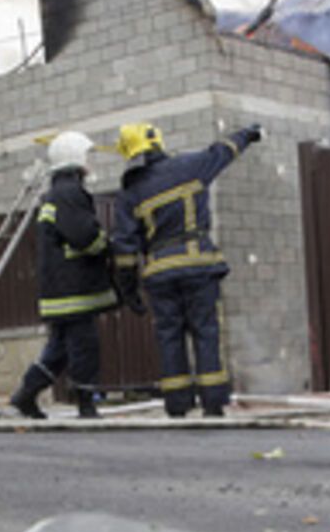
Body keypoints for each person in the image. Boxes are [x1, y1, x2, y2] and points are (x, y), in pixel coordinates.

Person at [112, 121, 263, 418]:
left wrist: (129, 292)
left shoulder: (130, 194)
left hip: (159, 275)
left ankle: (178, 405)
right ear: (157, 142)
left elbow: (125, 250)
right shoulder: (192, 165)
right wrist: (249, 133)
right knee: (205, 331)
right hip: (198, 267)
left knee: (169, 336)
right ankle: (213, 404)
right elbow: (225, 150)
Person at [8, 131, 117, 420]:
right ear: (76, 157)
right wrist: (108, 246)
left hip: (59, 288)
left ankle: (26, 395)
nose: (90, 161)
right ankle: (86, 403)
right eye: (87, 155)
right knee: (84, 345)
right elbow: (85, 237)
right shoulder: (70, 193)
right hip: (74, 288)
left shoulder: (54, 194)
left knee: (59, 349)